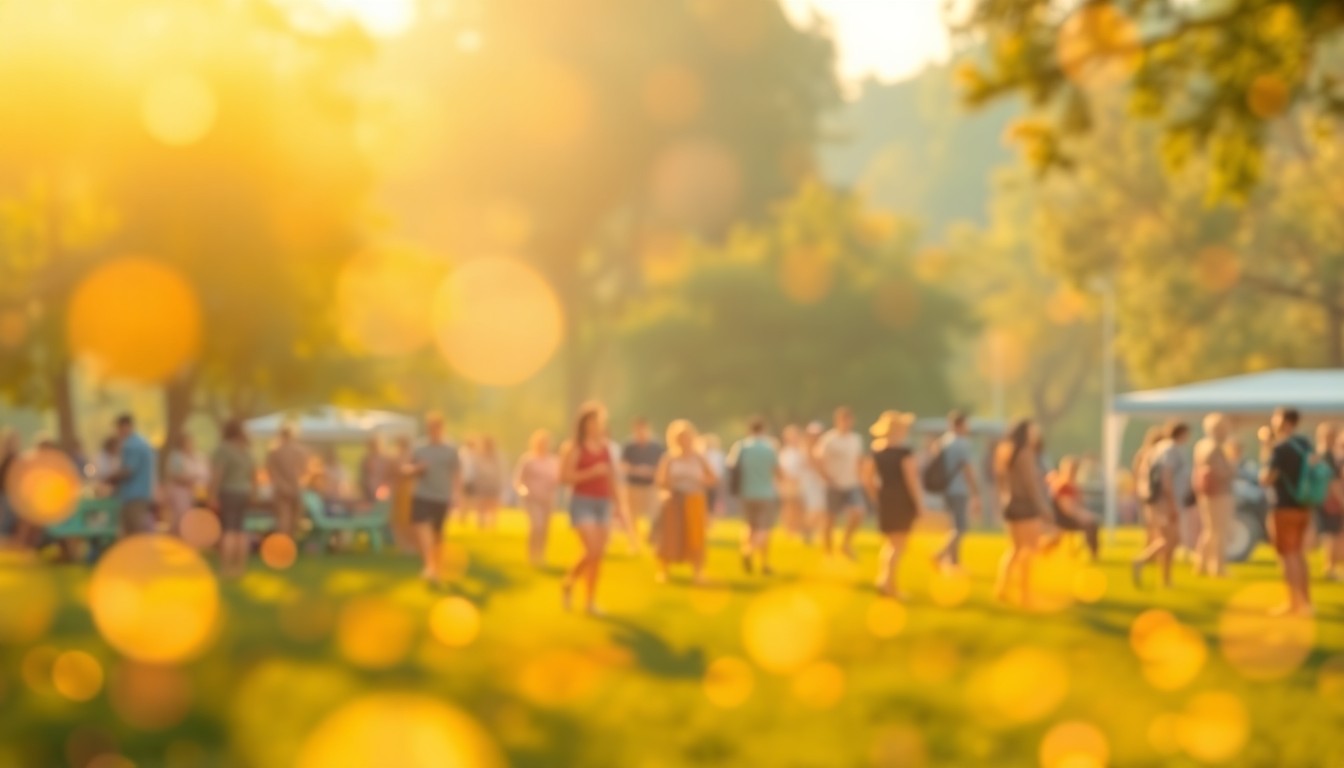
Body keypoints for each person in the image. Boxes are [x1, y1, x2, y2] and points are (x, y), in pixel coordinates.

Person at [560, 402, 622, 614]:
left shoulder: (606, 448)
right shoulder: (575, 448)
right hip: (582, 502)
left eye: (599, 421)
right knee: (592, 549)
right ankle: (569, 582)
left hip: (603, 502)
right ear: (584, 424)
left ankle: (589, 601)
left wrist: (619, 506)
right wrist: (591, 472)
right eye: (592, 421)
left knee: (597, 555)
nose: (596, 425)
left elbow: (612, 478)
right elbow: (564, 477)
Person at [1260, 407, 1316, 615]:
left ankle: (1294, 604)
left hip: (1283, 506)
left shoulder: (1280, 448)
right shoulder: (1305, 444)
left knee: (1288, 555)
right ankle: (1307, 602)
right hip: (1304, 505)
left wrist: (1266, 446)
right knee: (1299, 554)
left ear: (1283, 421)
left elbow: (1267, 478)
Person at [861, 411, 923, 599]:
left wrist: (877, 497)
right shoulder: (904, 453)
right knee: (899, 545)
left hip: (886, 498)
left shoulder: (876, 452)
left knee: (890, 544)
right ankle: (891, 586)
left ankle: (883, 579)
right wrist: (919, 504)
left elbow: (867, 479)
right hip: (902, 500)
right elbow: (911, 479)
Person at [992, 419, 1050, 606]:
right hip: (1026, 507)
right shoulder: (1025, 453)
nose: (1035, 434)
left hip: (1010, 505)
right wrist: (1043, 508)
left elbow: (1001, 482)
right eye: (1033, 431)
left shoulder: (1004, 452)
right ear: (1026, 433)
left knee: (1015, 549)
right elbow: (1031, 485)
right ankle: (1025, 594)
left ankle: (1002, 587)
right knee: (1028, 550)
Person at [403, 412, 462, 588]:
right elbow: (406, 468)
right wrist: (416, 468)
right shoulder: (419, 448)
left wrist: (457, 495)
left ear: (442, 429)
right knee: (422, 530)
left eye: (436, 427)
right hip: (422, 494)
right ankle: (429, 566)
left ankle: (434, 567)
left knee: (437, 536)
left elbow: (457, 473)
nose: (433, 431)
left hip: (442, 496)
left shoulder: (451, 450)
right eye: (430, 428)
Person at [1131, 422, 1192, 588]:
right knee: (1171, 539)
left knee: (1170, 539)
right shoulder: (1170, 449)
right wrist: (1172, 503)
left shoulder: (1158, 449)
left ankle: (1165, 578)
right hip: (1166, 501)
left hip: (1160, 501)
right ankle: (1141, 561)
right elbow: (1166, 477)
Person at [655, 419, 716, 584]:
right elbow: (660, 480)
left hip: (695, 498)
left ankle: (698, 572)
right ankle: (664, 570)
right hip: (675, 499)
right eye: (680, 437)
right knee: (671, 536)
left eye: (686, 437)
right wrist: (668, 488)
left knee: (695, 536)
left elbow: (713, 478)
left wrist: (700, 480)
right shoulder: (669, 458)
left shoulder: (699, 457)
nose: (684, 441)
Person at [728, 417, 781, 575]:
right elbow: (777, 471)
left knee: (750, 527)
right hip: (765, 492)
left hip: (746, 492)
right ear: (763, 430)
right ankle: (756, 557)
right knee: (764, 529)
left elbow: (731, 467)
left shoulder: (741, 447)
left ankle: (748, 551)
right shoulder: (770, 447)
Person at [930, 410, 981, 572]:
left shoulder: (943, 441)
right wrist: (975, 491)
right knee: (961, 527)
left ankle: (954, 562)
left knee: (955, 526)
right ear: (961, 425)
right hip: (959, 488)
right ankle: (940, 554)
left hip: (946, 488)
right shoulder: (961, 443)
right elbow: (967, 468)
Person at [815, 407, 866, 559]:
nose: (847, 423)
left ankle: (845, 543)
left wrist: (861, 476)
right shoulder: (829, 439)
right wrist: (826, 477)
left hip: (852, 483)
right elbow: (818, 459)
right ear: (838, 421)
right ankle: (828, 550)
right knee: (830, 518)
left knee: (858, 512)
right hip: (834, 484)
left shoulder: (856, 439)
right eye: (844, 420)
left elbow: (859, 460)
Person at [209, 419, 256, 578]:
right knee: (241, 531)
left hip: (228, 492)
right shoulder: (245, 450)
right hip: (245, 492)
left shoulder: (223, 449)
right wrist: (253, 493)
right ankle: (240, 569)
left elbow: (218, 474)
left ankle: (226, 569)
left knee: (228, 530)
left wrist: (212, 495)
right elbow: (253, 474)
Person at [1192, 413, 1237, 578]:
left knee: (1209, 530)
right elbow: (1221, 472)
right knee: (1218, 531)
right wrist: (1233, 466)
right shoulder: (1215, 447)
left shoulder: (1200, 445)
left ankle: (1201, 564)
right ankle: (1217, 567)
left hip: (1205, 493)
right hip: (1219, 493)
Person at [515, 429, 561, 567]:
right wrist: (524, 491)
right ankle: (532, 555)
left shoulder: (554, 461)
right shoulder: (528, 460)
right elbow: (519, 480)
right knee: (536, 525)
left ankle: (541, 555)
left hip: (548, 499)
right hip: (532, 498)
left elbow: (558, 479)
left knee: (545, 528)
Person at [108, 414, 157, 535]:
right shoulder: (142, 443)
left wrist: (109, 479)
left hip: (133, 496)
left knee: (134, 533)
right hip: (142, 493)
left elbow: (128, 470)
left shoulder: (131, 445)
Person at [1044, 456, 1100, 561]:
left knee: (1091, 522)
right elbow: (1068, 509)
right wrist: (1083, 516)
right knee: (1091, 524)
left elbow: (1077, 505)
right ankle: (1093, 554)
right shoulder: (1063, 486)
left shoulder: (1072, 485)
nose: (1073, 472)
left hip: (1066, 517)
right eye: (1071, 469)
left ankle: (1082, 552)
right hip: (1063, 519)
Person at [621, 418, 664, 546]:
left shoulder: (656, 447)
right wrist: (636, 470)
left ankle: (653, 539)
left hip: (651, 486)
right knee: (632, 516)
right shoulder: (629, 446)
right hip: (633, 485)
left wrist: (651, 471)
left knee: (654, 514)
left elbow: (663, 465)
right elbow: (623, 464)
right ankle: (634, 542)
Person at [266, 425, 309, 537]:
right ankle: (290, 543)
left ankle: (283, 544)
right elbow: (304, 471)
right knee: (294, 519)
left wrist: (282, 485)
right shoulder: (301, 451)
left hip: (281, 489)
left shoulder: (275, 452)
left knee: (283, 518)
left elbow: (272, 473)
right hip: (296, 488)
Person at [164, 433, 208, 534]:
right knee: (180, 518)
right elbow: (175, 475)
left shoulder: (196, 456)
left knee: (189, 518)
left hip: (193, 492)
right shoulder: (176, 457)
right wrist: (191, 479)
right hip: (179, 492)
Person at [776, 425, 808, 541]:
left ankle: (798, 529)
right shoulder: (785, 453)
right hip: (789, 483)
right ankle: (789, 529)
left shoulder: (802, 451)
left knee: (799, 508)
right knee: (788, 507)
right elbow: (782, 470)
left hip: (801, 483)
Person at [389, 435, 416, 553]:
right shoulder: (396, 457)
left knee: (407, 519)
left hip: (407, 492)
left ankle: (409, 545)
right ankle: (403, 545)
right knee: (398, 520)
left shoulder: (409, 456)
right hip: (399, 491)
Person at [473, 436, 505, 530]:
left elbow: (500, 471)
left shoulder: (497, 456)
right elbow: (476, 470)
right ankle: (481, 524)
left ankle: (492, 525)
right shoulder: (479, 456)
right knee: (481, 504)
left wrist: (500, 483)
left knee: (493, 505)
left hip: (493, 484)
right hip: (482, 484)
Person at [1326, 428, 1344, 581]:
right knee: (1336, 536)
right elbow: (1336, 483)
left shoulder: (1336, 458)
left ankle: (1332, 566)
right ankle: (1331, 567)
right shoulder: (1339, 460)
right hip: (1338, 503)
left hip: (1337, 501)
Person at [0, 429, 20, 543]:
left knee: (8, 518)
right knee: (5, 519)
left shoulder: (13, 458)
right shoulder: (8, 458)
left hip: (10, 495)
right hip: (5, 494)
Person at [357, 436, 391, 504]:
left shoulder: (385, 458)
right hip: (369, 486)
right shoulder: (367, 459)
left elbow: (388, 473)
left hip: (382, 487)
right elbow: (363, 473)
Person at [702, 434, 727, 516]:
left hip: (711, 481)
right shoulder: (703, 455)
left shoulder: (715, 454)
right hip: (708, 481)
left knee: (711, 500)